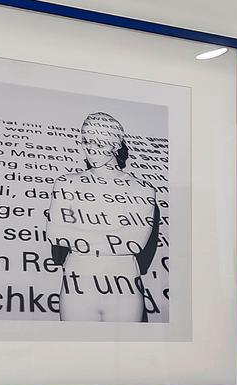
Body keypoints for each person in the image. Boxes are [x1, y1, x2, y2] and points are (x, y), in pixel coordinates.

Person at [47, 111, 163, 322]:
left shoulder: (142, 189)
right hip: (78, 282)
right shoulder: (66, 182)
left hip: (124, 284)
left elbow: (135, 243)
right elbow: (56, 234)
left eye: (99, 141)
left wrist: (79, 234)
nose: (90, 147)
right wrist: (114, 234)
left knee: (126, 352)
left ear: (115, 145)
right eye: (86, 140)